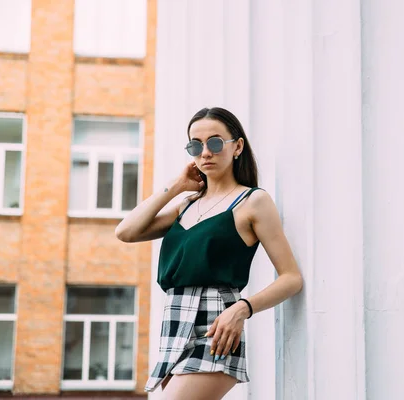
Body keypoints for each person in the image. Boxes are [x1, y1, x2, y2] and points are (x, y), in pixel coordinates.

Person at [115, 107, 303, 400]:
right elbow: (126, 231)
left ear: (237, 146)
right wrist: (176, 186)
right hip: (175, 323)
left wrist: (241, 309)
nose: (205, 153)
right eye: (195, 145)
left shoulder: (253, 201)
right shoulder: (186, 205)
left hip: (217, 324)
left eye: (215, 143)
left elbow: (291, 278)